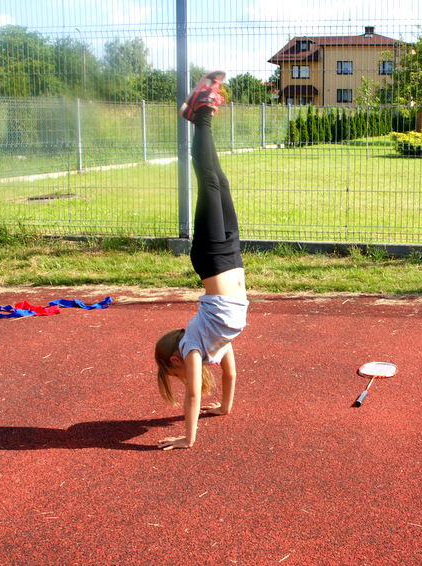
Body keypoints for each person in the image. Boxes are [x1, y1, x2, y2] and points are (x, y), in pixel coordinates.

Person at [154, 71, 248, 450]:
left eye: (175, 375)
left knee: (207, 181)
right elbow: (229, 373)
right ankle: (194, 117)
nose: (184, 379)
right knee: (220, 182)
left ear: (175, 361)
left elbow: (193, 395)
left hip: (212, 259)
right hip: (231, 257)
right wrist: (225, 408)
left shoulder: (193, 347)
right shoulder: (213, 344)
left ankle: (202, 111)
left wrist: (187, 439)